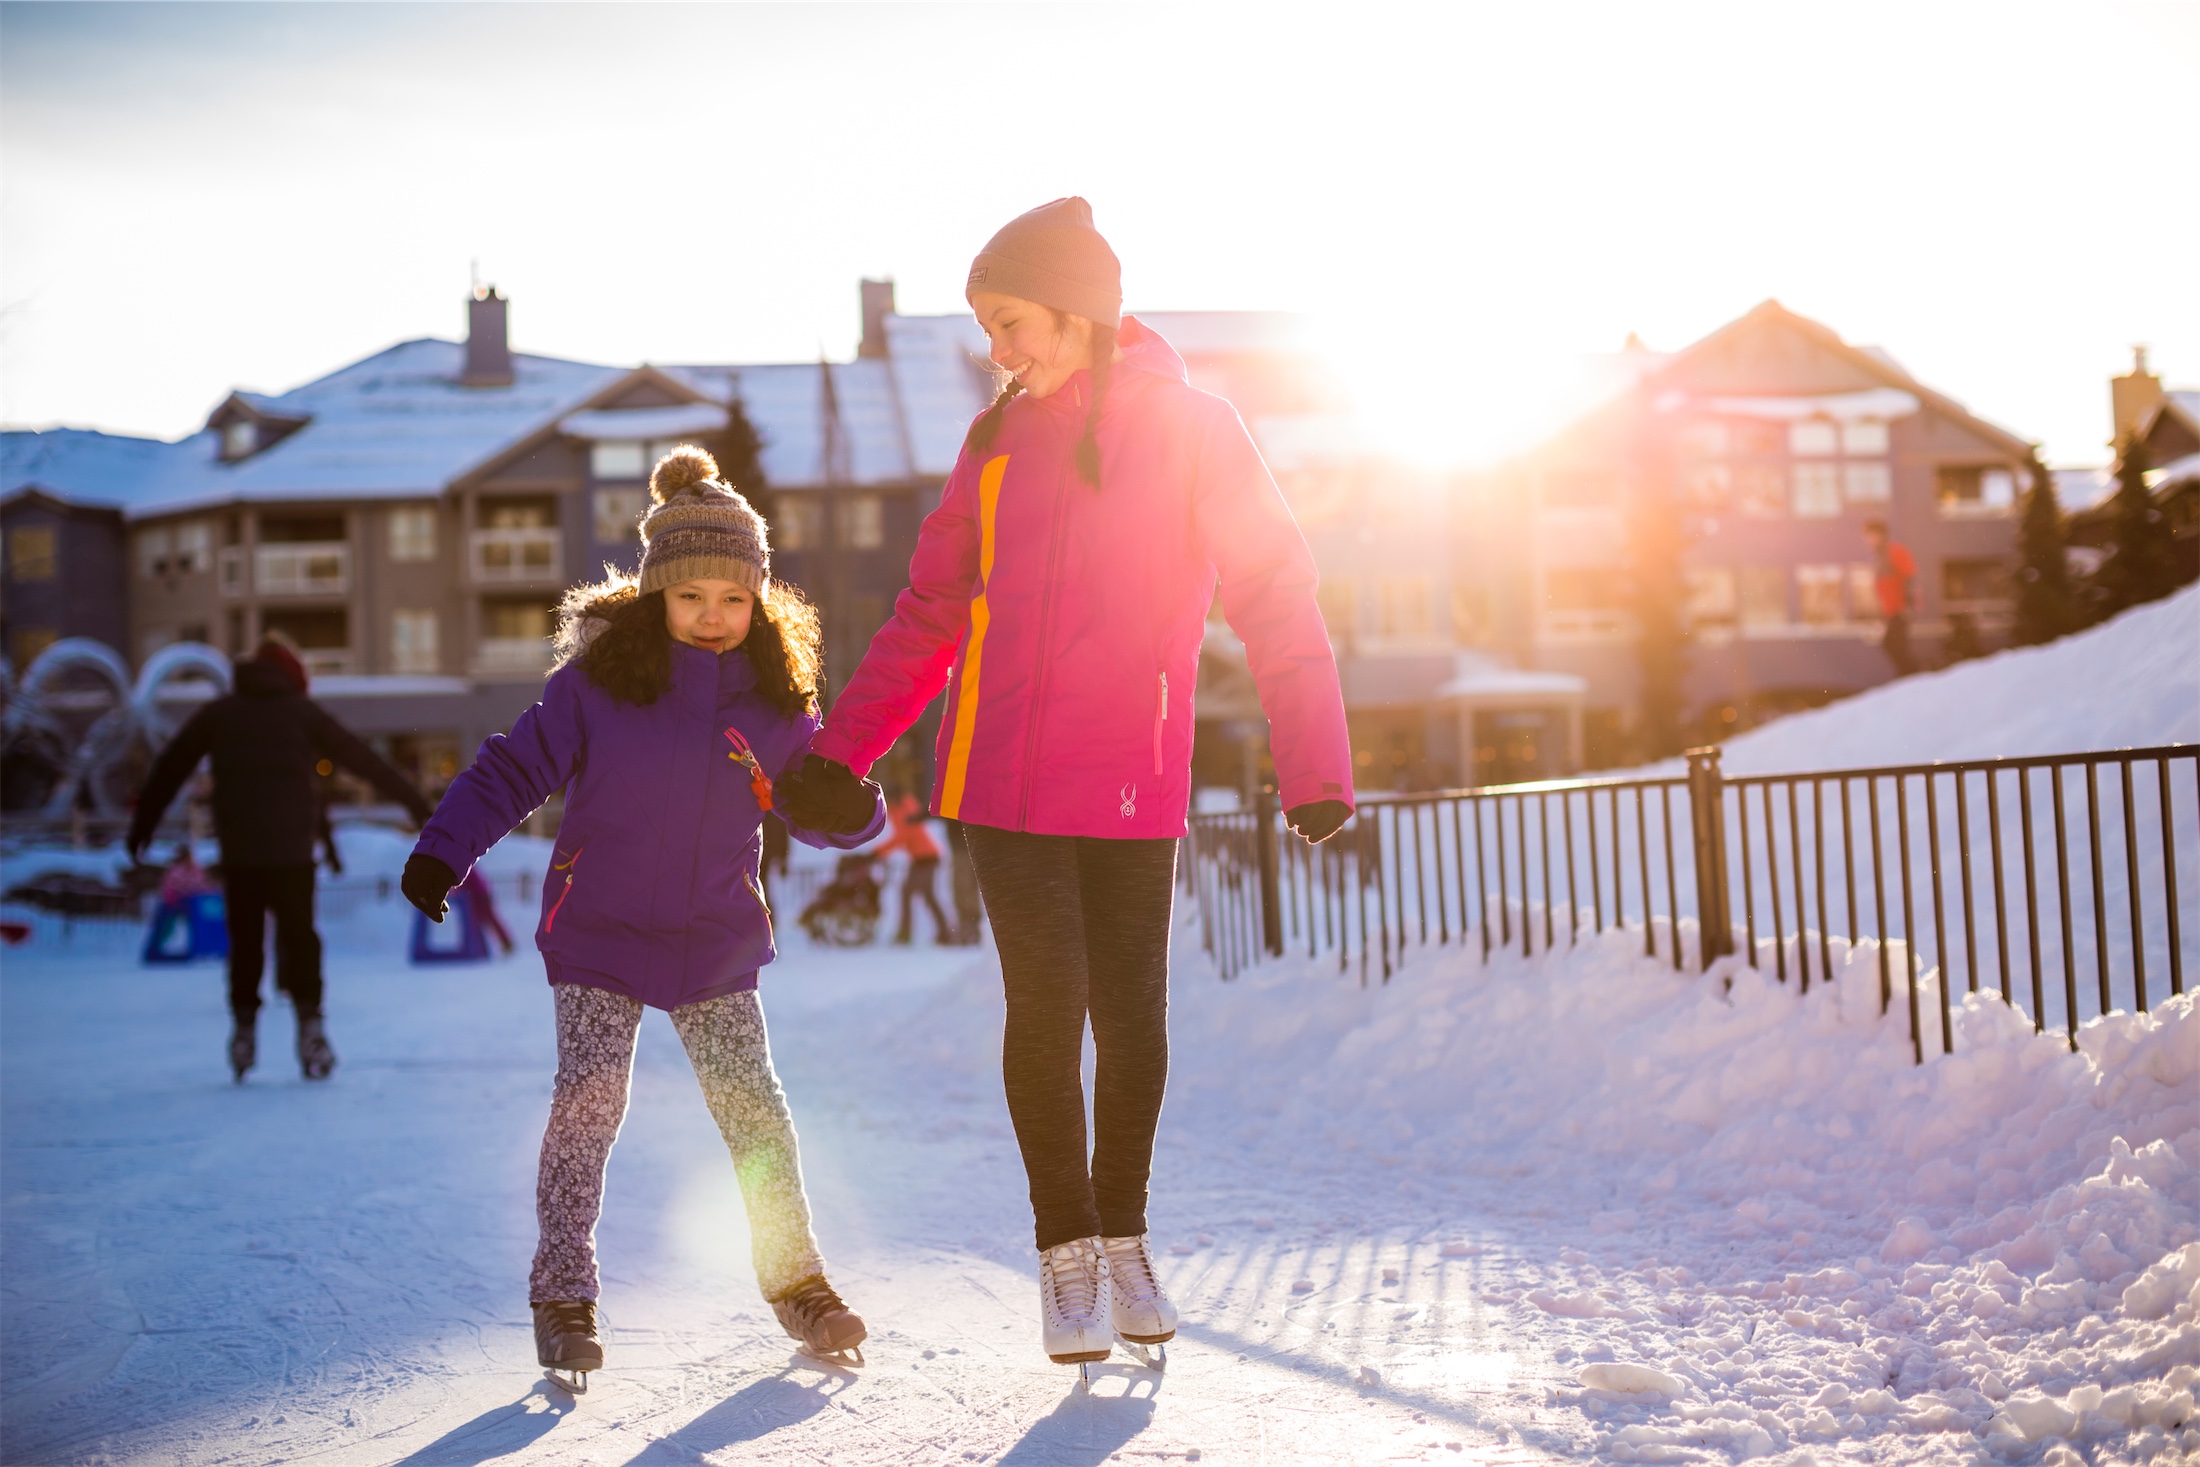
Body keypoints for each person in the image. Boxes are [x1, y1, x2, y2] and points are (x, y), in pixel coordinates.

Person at [777, 198, 1354, 1369]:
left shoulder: (1197, 429)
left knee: (1133, 1020)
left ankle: (1128, 1236)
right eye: (988, 329)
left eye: (1011, 322)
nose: (997, 351)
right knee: (1047, 1009)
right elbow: (931, 612)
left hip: (1134, 776)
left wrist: (1315, 763)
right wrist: (844, 750)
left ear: (1076, 311)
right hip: (998, 779)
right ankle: (1066, 1256)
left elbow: (1275, 592)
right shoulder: (993, 443)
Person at [399, 447, 883, 1391]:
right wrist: (441, 849)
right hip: (602, 932)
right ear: (655, 592)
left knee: (757, 1117)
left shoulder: (776, 704)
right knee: (590, 1107)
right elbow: (511, 768)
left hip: (712, 938)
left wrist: (845, 807)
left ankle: (799, 1283)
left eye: (734, 598)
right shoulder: (596, 688)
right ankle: (563, 1290)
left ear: (761, 601)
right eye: (692, 594)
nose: (714, 616)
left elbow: (831, 800)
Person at [127, 639, 433, 1082]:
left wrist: (144, 823)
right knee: (301, 938)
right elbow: (361, 758)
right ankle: (311, 1029)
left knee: (246, 944)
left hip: (241, 854)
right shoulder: (300, 711)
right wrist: (415, 802)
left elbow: (172, 764)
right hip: (291, 854)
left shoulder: (220, 713)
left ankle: (244, 1031)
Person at [878, 790, 952, 944]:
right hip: (920, 858)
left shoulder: (904, 808)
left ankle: (906, 933)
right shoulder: (900, 808)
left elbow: (903, 836)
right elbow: (902, 836)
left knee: (908, 892)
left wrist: (877, 853)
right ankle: (945, 933)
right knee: (928, 896)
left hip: (926, 857)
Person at [1863, 518, 1918, 675]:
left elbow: (1909, 576)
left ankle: (1913, 678)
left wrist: (1907, 605)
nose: (1869, 539)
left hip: (1900, 610)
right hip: (1890, 612)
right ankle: (1908, 677)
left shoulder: (1895, 551)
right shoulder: (1878, 557)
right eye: (1867, 536)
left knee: (1894, 645)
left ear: (1882, 535)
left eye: (1872, 535)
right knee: (1893, 645)